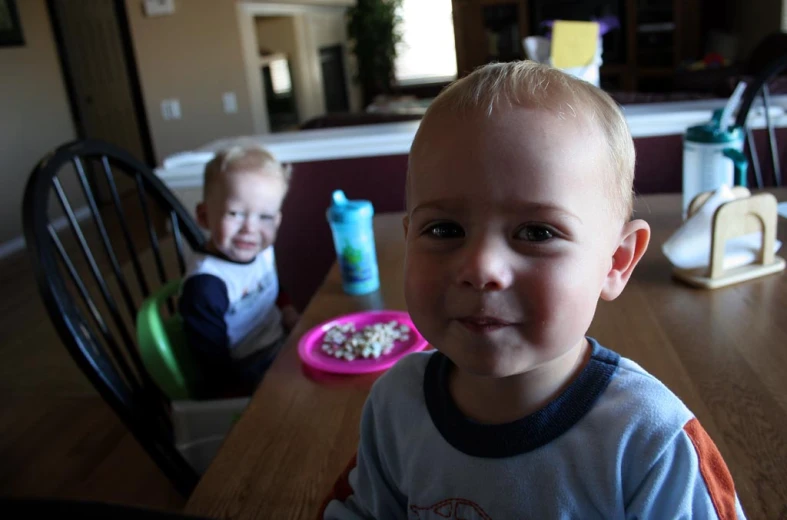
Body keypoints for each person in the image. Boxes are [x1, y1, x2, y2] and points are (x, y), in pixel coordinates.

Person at [323, 61, 746, 518]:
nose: (481, 268)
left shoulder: (651, 443)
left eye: (538, 232)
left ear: (617, 261)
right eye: (444, 229)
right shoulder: (395, 408)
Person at [179, 145, 299, 397]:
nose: (250, 229)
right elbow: (215, 369)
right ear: (204, 216)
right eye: (235, 213)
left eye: (265, 217)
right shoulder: (206, 286)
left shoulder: (262, 250)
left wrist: (287, 310)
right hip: (244, 368)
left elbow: (269, 284)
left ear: (277, 220)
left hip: (279, 343)